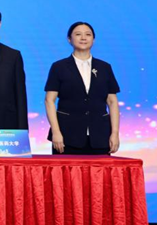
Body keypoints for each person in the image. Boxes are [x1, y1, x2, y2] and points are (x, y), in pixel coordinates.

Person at [44, 22, 120, 155]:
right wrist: (56, 132)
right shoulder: (59, 67)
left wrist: (114, 133)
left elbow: (112, 102)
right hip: (67, 136)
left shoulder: (104, 67)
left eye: (88, 34)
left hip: (100, 136)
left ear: (93, 39)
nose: (83, 38)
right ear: (69, 39)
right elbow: (49, 100)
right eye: (78, 34)